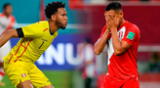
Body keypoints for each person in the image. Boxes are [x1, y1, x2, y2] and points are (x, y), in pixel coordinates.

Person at [0, 2, 68, 88]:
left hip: (30, 65)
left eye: (66, 15)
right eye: (63, 15)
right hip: (16, 61)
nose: (66, 18)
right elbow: (10, 32)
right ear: (53, 17)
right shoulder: (40, 28)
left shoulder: (54, 33)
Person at [94, 2, 140, 88]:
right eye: (106, 17)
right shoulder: (106, 29)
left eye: (112, 17)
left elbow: (118, 50)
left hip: (129, 79)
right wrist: (108, 30)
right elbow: (97, 50)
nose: (109, 21)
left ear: (121, 14)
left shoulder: (132, 29)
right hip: (111, 79)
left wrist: (113, 28)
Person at [0, 3, 16, 86]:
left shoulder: (12, 18)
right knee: (5, 63)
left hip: (6, 43)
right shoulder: (1, 17)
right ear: (4, 9)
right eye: (8, 8)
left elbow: (11, 28)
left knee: (5, 64)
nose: (10, 10)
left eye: (11, 8)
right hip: (1, 41)